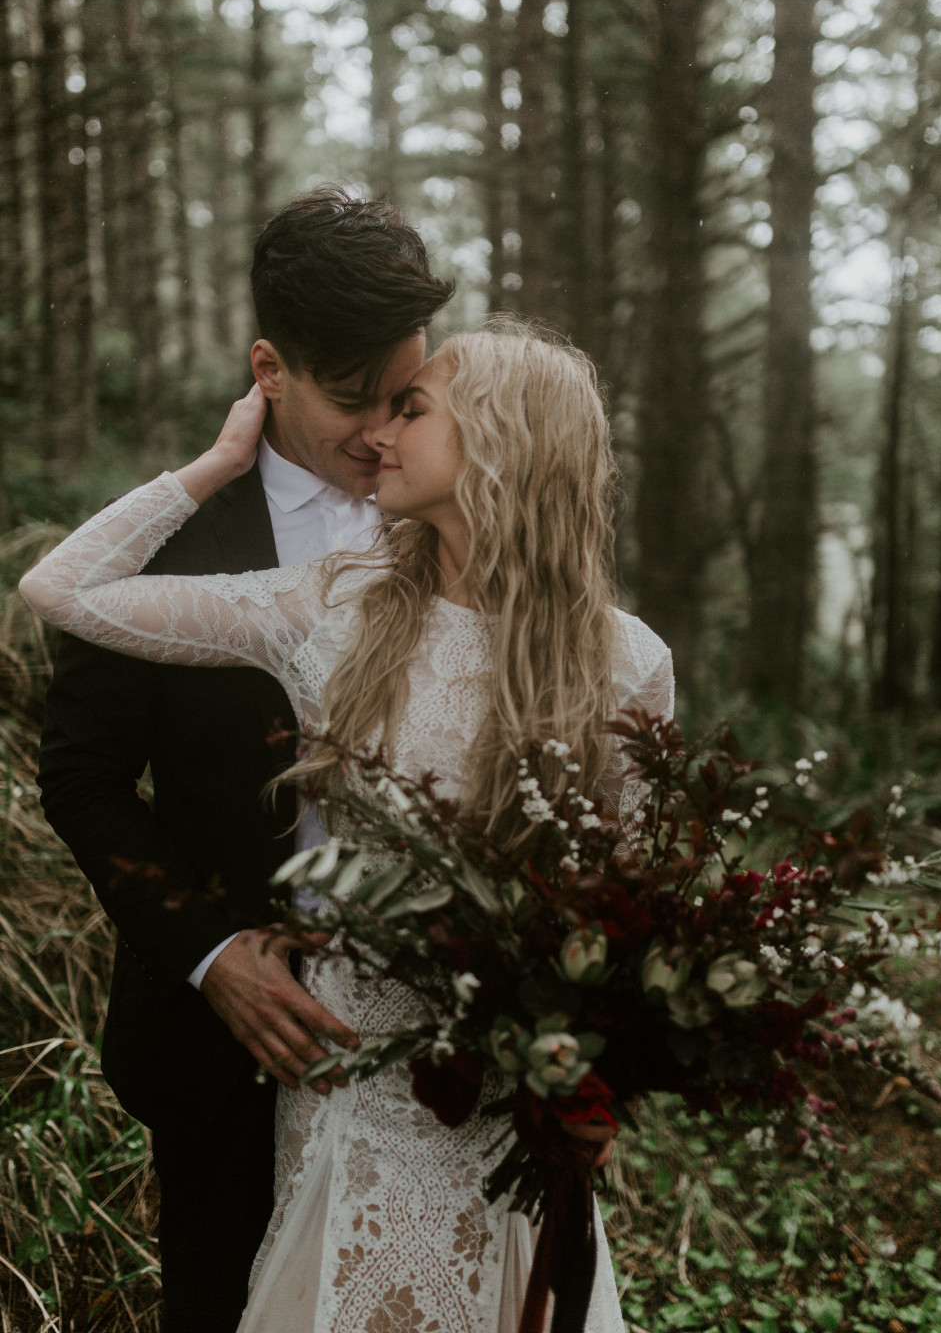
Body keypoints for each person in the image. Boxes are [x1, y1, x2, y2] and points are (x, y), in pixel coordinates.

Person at [22, 321, 674, 1332]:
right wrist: (216, 465)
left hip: (506, 1111)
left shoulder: (627, 663)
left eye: (414, 410)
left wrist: (596, 1074)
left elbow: (624, 920)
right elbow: (61, 592)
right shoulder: (336, 608)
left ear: (498, 442)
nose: (381, 436)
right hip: (344, 1093)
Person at [34, 186, 453, 1333]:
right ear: (270, 368)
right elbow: (78, 779)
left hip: (431, 1051)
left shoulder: (453, 512)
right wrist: (211, 953)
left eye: (405, 396)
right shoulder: (166, 540)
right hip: (229, 1051)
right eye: (353, 399)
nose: (382, 432)